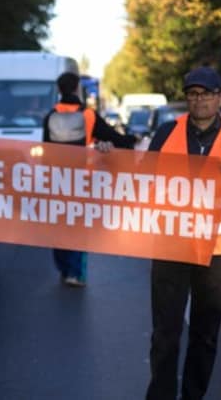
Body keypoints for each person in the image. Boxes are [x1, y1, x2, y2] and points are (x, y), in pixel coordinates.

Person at [145, 66, 221, 400]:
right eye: (193, 94)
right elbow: (137, 179)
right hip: (171, 246)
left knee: (205, 335)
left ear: (220, 97)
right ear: (186, 98)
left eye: (206, 94)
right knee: (165, 333)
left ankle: (193, 395)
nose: (200, 100)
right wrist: (107, 157)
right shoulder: (166, 132)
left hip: (216, 252)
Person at [42, 72, 136, 287]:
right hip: (82, 181)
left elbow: (45, 151)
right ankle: (75, 273)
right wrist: (132, 140)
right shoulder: (89, 116)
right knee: (77, 225)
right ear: (77, 89)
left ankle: (64, 267)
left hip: (57, 181)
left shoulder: (50, 117)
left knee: (59, 225)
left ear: (59, 91)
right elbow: (115, 138)